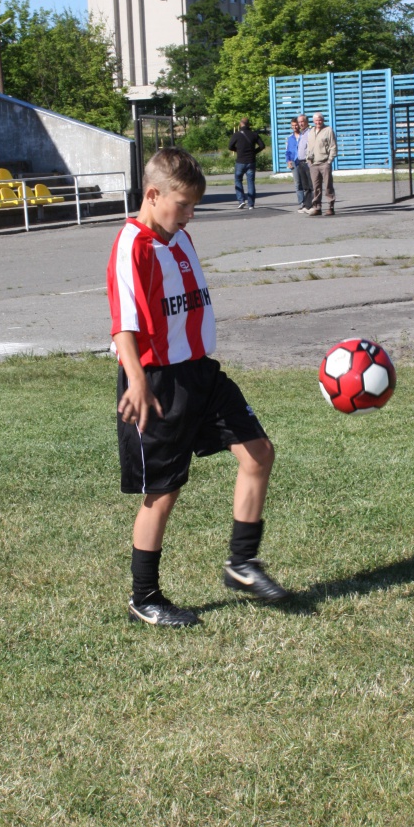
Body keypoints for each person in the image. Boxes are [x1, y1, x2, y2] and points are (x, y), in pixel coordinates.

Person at [107, 147, 287, 627]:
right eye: (183, 205)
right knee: (163, 492)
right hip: (158, 382)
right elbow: (123, 324)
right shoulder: (133, 246)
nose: (190, 216)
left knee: (258, 453)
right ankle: (144, 597)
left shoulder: (178, 236)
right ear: (153, 194)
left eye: (193, 206)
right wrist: (139, 381)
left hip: (202, 372)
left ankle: (242, 563)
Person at [228, 116, 265, 209]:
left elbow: (230, 146)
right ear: (249, 124)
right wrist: (254, 152)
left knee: (238, 180)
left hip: (240, 161)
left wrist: (237, 150)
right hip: (251, 161)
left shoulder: (236, 135)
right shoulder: (254, 134)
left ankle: (241, 200)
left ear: (240, 124)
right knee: (251, 182)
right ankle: (251, 204)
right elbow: (262, 145)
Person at [305, 112, 337, 216]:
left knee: (328, 185)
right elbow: (309, 147)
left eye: (320, 120)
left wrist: (329, 160)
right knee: (316, 187)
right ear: (313, 122)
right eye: (316, 120)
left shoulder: (328, 130)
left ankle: (330, 206)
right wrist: (308, 159)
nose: (318, 122)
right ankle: (317, 207)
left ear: (323, 120)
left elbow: (333, 146)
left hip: (324, 163)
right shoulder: (311, 131)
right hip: (314, 163)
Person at [285, 117, 305, 207]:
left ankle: (309, 201)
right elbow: (287, 151)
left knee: (306, 182)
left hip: (303, 161)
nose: (295, 127)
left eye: (296, 125)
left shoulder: (304, 135)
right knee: (297, 183)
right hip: (293, 161)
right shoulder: (290, 138)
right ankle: (301, 202)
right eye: (293, 125)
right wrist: (288, 161)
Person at [295, 114, 313, 212]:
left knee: (311, 185)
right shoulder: (301, 133)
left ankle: (311, 205)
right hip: (300, 162)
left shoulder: (310, 132)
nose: (301, 124)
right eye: (299, 122)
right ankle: (306, 205)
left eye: (302, 121)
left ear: (306, 121)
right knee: (305, 186)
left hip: (307, 162)